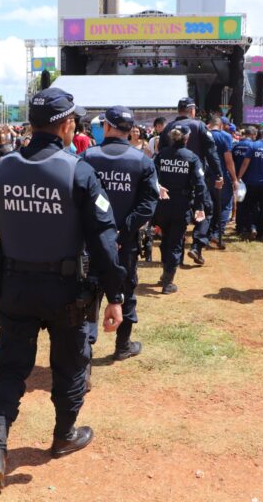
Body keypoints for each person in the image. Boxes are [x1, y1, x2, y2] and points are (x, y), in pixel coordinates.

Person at [0, 87, 125, 491]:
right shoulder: (78, 170)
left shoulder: (3, 169)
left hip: (16, 287)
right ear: (68, 124)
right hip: (67, 290)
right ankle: (64, 435)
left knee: (10, 368)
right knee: (71, 365)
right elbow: (105, 242)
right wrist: (117, 296)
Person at [82, 105, 159, 360]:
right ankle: (122, 346)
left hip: (91, 241)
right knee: (125, 290)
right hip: (125, 243)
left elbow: (77, 199)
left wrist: (102, 232)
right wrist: (121, 231)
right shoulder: (143, 161)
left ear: (106, 126)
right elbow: (148, 206)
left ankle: (84, 356)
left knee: (89, 295)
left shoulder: (89, 156)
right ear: (131, 130)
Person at [160, 98, 222, 265]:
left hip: (173, 181)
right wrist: (219, 174)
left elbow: (161, 152)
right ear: (192, 109)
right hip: (196, 178)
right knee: (206, 211)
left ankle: (175, 257)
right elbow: (211, 152)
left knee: (176, 218)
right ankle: (196, 245)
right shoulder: (199, 126)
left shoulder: (168, 127)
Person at [152, 125, 208, 294]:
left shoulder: (161, 155)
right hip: (181, 205)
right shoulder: (191, 158)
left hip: (162, 204)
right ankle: (168, 281)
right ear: (187, 138)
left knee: (165, 240)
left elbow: (151, 176)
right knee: (176, 242)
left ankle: (165, 273)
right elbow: (200, 185)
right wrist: (199, 207)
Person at [207, 117, 238, 248]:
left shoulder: (204, 134)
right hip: (221, 175)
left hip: (206, 176)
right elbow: (228, 160)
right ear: (221, 126)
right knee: (225, 205)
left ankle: (208, 234)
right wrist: (235, 178)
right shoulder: (225, 136)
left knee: (209, 205)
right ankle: (217, 234)